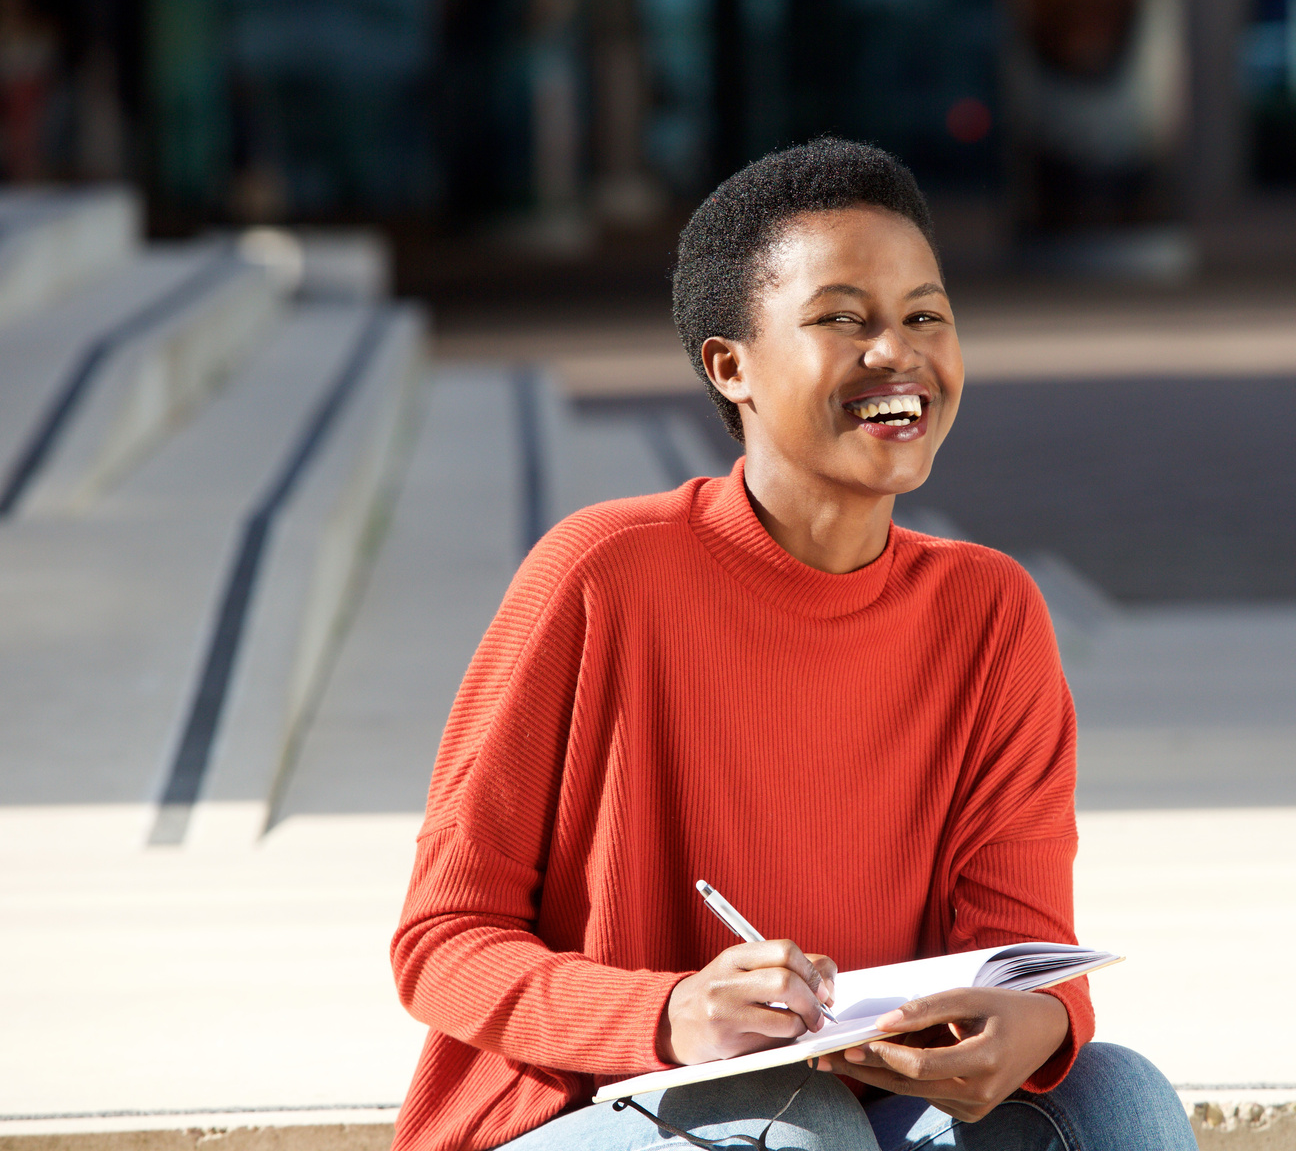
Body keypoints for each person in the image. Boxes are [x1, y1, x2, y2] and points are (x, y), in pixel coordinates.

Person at [388, 139, 1195, 1151]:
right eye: (842, 321)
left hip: (860, 1115)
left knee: (1112, 1099)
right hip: (583, 1112)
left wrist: (1041, 1023)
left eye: (924, 318)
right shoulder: (598, 576)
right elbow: (440, 944)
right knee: (798, 1128)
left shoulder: (990, 612)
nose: (896, 354)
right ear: (733, 368)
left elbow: (1019, 948)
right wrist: (672, 1015)